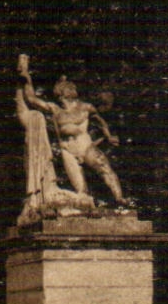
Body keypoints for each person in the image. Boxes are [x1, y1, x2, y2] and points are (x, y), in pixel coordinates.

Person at [17, 56, 126, 206]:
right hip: (67, 151)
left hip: (85, 146)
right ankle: (90, 209)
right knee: (81, 191)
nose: (59, 98)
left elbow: (101, 121)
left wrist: (108, 136)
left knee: (105, 170)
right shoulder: (55, 110)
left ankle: (120, 199)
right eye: (58, 96)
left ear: (68, 93)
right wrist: (27, 78)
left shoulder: (85, 107)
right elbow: (31, 99)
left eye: (60, 95)